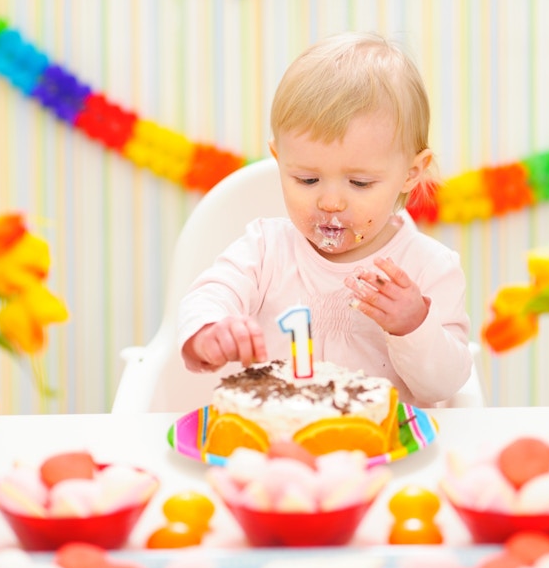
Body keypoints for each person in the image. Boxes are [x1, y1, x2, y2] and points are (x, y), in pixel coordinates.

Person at [177, 31, 472, 406]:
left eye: (360, 182)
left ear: (412, 173)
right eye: (307, 179)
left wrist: (413, 325)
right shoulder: (266, 249)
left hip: (383, 453)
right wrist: (210, 329)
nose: (330, 202)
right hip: (279, 440)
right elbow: (212, 293)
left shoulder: (430, 268)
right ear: (279, 160)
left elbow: (446, 385)